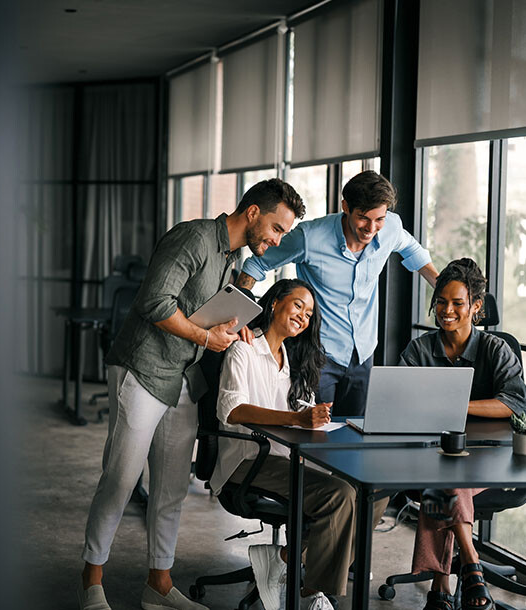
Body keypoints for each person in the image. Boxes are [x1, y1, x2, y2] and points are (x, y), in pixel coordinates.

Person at [78, 179, 306, 610]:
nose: (277, 241)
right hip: (142, 369)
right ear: (253, 213)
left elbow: (207, 311)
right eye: (277, 229)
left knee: (171, 489)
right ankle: (90, 580)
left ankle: (158, 587)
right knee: (121, 478)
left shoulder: (231, 257)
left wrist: (229, 328)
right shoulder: (194, 237)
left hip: (184, 377)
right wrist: (206, 334)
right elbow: (155, 303)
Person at [210, 279, 388, 610]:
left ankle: (285, 558)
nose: (303, 316)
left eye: (309, 313)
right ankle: (311, 592)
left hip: (291, 456)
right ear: (275, 303)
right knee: (340, 495)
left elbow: (301, 415)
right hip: (250, 460)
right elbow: (231, 410)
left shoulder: (294, 359)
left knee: (373, 489)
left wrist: (315, 419)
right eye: (298, 306)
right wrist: (296, 420)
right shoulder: (243, 349)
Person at [236, 170, 439, 416]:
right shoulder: (310, 237)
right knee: (314, 434)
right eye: (363, 218)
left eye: (379, 219)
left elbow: (413, 251)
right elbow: (256, 264)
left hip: (363, 353)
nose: (371, 228)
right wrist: (240, 316)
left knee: (355, 435)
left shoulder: (391, 227)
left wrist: (442, 288)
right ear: (345, 206)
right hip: (318, 354)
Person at [399, 258, 526, 610]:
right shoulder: (419, 350)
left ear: (476, 307)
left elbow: (516, 403)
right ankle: (470, 568)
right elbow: (401, 402)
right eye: (441, 302)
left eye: (457, 303)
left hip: (490, 461)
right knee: (445, 479)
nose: (447, 311)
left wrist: (457, 404)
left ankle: (441, 586)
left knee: (444, 484)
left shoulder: (495, 349)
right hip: (430, 457)